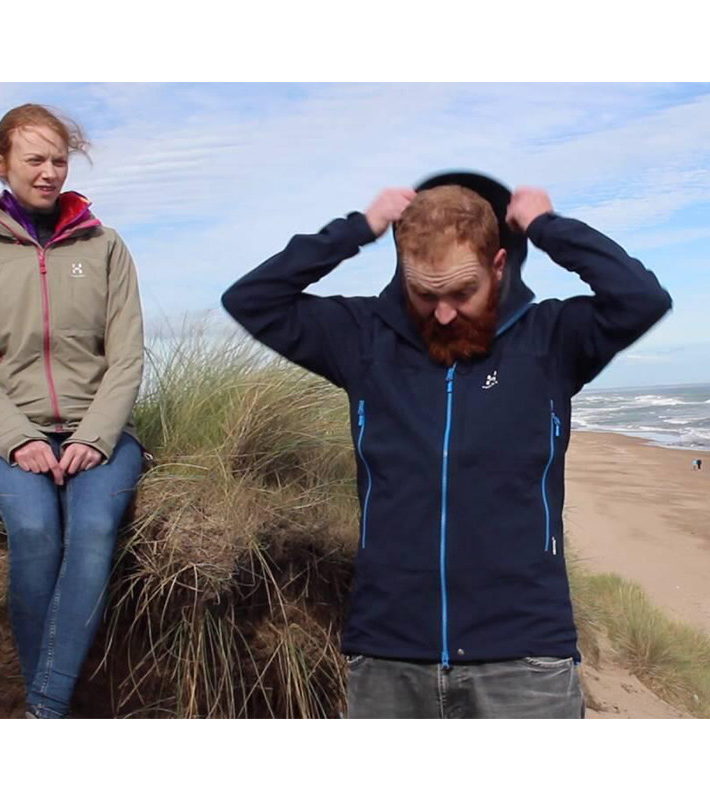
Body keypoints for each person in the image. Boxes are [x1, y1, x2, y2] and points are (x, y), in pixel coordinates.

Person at [221, 171, 672, 718]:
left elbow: (641, 298)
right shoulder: (363, 338)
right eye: (425, 293)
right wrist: (359, 228)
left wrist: (547, 225)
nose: (443, 313)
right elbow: (252, 299)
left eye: (462, 292)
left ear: (499, 266)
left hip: (524, 656)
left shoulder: (551, 339)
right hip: (389, 654)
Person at [0, 104, 144, 719]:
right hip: (5, 435)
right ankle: (50, 711)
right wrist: (17, 439)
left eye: (59, 160)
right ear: (0, 163)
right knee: (34, 530)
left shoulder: (105, 247)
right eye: (34, 159)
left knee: (93, 529)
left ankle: (42, 711)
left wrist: (95, 436)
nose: (49, 172)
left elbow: (126, 357)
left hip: (97, 431)